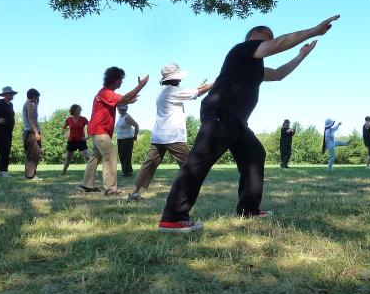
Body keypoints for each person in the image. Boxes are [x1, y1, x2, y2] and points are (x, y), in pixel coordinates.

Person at [159, 15, 340, 233]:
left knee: (255, 154)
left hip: (236, 121)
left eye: (271, 38)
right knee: (198, 162)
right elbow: (278, 45)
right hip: (220, 113)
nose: (271, 40)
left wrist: (300, 56)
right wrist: (313, 31)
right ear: (254, 36)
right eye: (268, 37)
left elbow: (279, 74)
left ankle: (249, 209)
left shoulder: (252, 66)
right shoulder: (241, 50)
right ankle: (173, 218)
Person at [128, 63, 211, 201]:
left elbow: (189, 91)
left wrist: (197, 88)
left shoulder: (162, 91)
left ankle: (134, 194)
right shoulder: (174, 92)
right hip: (173, 137)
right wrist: (218, 82)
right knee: (190, 165)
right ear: (173, 79)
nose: (180, 80)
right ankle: (187, 193)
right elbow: (198, 92)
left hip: (158, 136)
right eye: (178, 78)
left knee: (148, 166)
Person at [79, 67, 149, 195]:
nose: (121, 82)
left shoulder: (106, 93)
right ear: (115, 80)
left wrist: (129, 100)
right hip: (100, 130)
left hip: (96, 129)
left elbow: (124, 100)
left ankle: (87, 185)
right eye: (121, 80)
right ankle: (110, 188)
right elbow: (123, 99)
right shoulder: (106, 93)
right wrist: (140, 86)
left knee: (95, 156)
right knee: (110, 154)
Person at [62, 104, 90, 174]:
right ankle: (63, 172)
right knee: (68, 157)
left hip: (81, 141)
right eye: (77, 109)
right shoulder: (69, 119)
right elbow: (63, 128)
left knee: (87, 157)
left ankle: (93, 172)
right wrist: (66, 135)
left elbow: (90, 125)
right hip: (72, 141)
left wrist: (88, 136)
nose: (79, 111)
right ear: (73, 110)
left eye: (80, 109)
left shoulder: (83, 119)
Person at [22, 88, 42, 180]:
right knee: (34, 154)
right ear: (33, 96)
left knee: (31, 154)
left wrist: (37, 105)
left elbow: (34, 116)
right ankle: (31, 176)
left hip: (28, 132)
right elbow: (31, 119)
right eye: (36, 97)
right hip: (31, 132)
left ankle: (29, 175)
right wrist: (36, 132)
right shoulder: (29, 104)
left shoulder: (29, 104)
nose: (37, 99)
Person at [115, 105, 139, 177]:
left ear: (122, 108)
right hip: (120, 139)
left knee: (125, 155)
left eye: (118, 108)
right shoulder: (121, 117)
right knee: (122, 155)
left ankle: (126, 173)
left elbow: (136, 125)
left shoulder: (127, 117)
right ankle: (127, 171)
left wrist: (135, 135)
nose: (117, 109)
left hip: (127, 139)